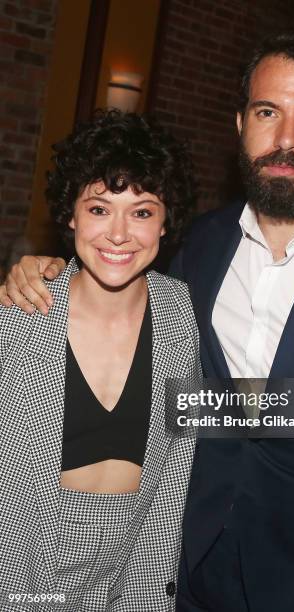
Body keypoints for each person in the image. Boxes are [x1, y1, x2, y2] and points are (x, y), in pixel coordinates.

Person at [2, 24, 294, 612]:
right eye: (268, 111)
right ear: (241, 123)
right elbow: (198, 397)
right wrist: (43, 270)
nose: (287, 138)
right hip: (184, 571)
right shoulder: (201, 247)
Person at [0, 110, 201, 611]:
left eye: (141, 211)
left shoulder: (180, 317)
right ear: (70, 214)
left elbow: (173, 475)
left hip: (129, 579)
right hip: (19, 572)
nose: (118, 234)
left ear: (165, 221)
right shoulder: (18, 315)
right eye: (98, 208)